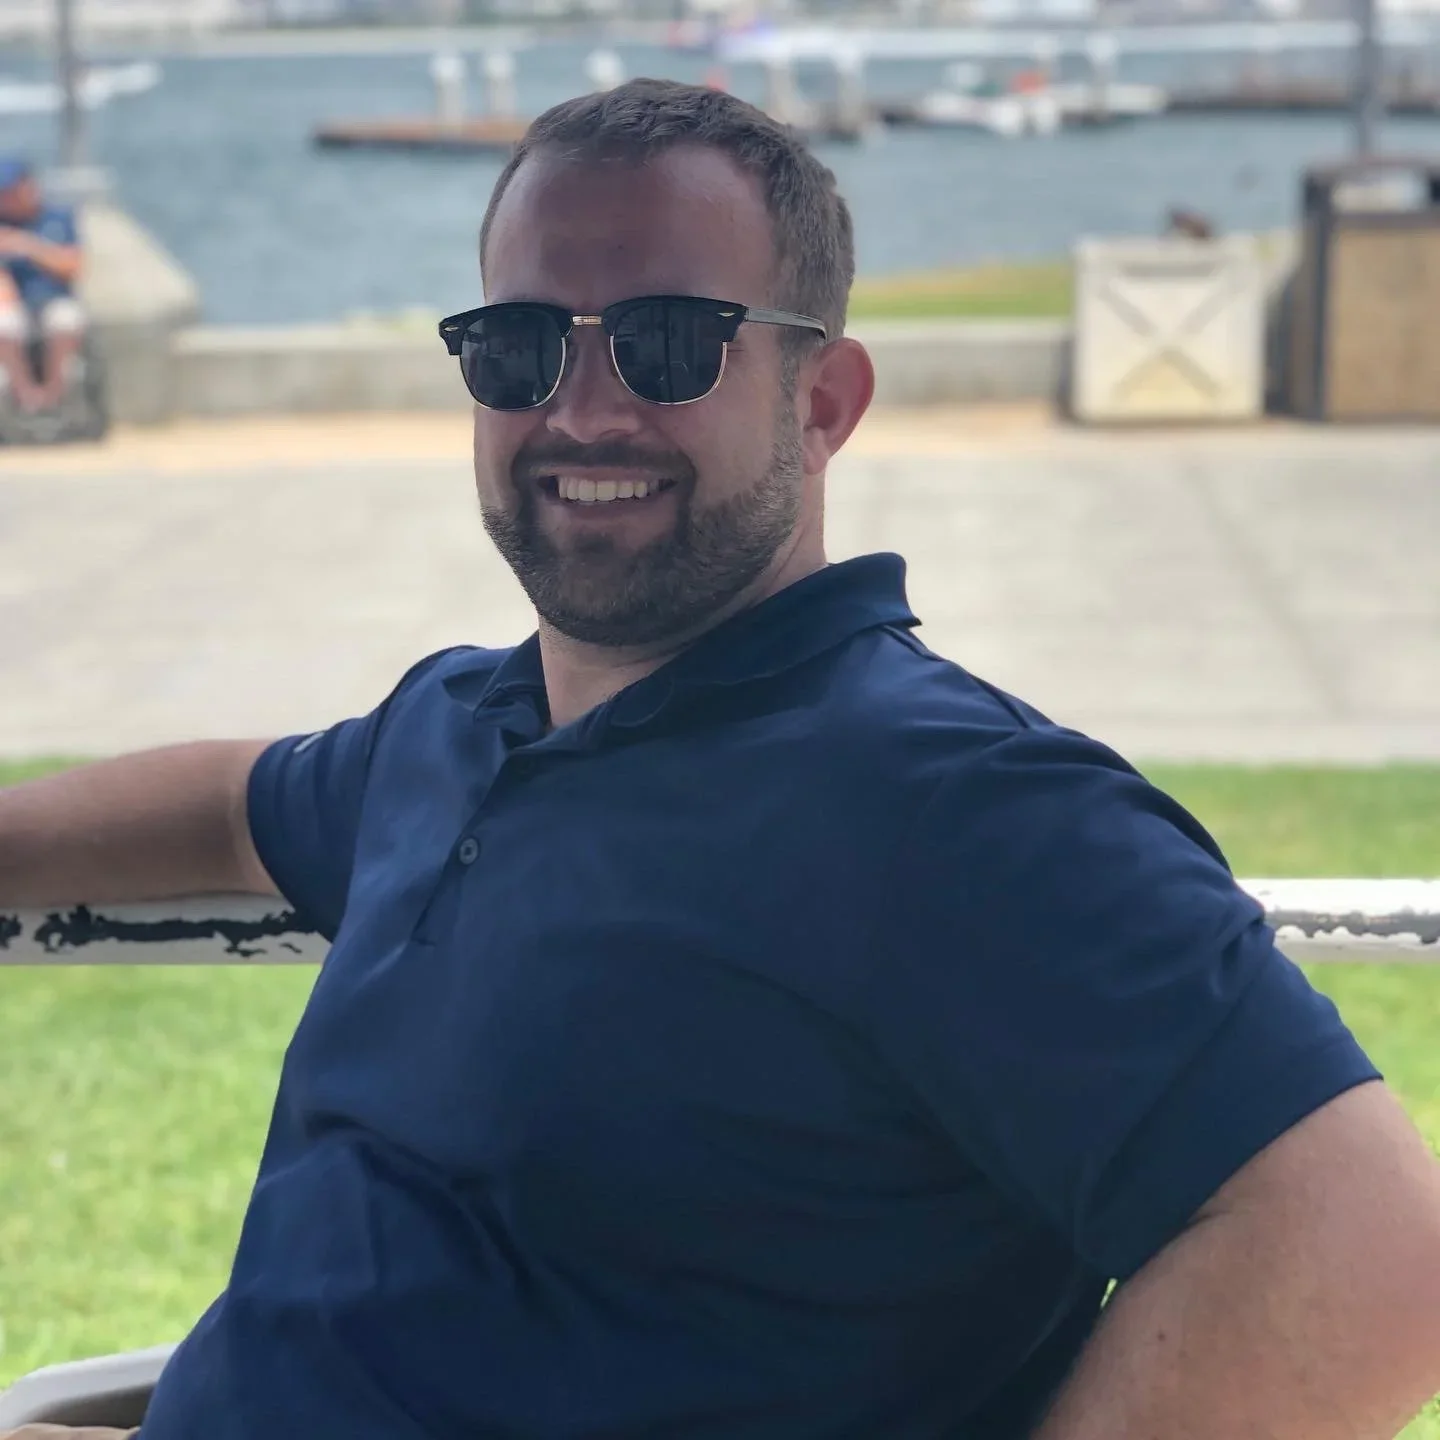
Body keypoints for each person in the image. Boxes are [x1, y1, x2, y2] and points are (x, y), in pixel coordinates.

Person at [2, 79, 1439, 1440]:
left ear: (824, 404)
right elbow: (229, 807)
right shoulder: (452, 732)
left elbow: (1369, 1247)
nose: (580, 410)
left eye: (666, 340)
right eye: (517, 347)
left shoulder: (942, 802)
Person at [0, 156, 85, 415]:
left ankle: (53, 395)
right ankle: (24, 395)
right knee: (5, 323)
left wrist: (28, 246)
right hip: (15, 304)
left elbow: (72, 267)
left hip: (53, 300)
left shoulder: (58, 218)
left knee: (65, 320)